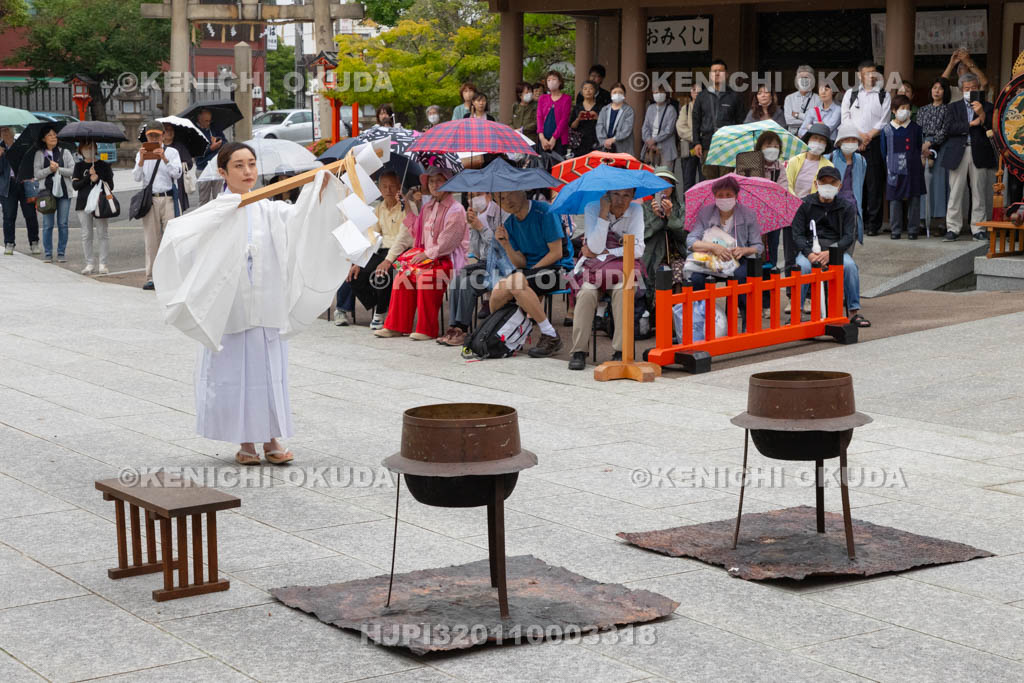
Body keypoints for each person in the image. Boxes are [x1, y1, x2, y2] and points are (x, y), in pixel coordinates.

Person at [154, 141, 356, 466]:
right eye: (238, 165)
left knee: (268, 371)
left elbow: (300, 219)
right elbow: (184, 237)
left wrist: (321, 187)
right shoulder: (216, 210)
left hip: (265, 302)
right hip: (231, 305)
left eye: (251, 164)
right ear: (223, 172)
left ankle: (272, 437)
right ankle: (245, 440)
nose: (247, 171)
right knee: (235, 372)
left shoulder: (270, 209)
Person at [374, 166, 468, 340]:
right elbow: (417, 231)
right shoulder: (428, 206)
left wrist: (427, 254)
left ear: (448, 183)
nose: (434, 185)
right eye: (431, 181)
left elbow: (448, 242)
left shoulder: (456, 209)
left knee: (426, 278)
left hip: (447, 260)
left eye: (439, 180)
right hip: (428, 258)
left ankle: (427, 329)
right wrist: (407, 207)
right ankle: (396, 325)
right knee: (402, 275)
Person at [567, 188, 645, 371]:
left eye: (626, 195)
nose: (621, 200)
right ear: (608, 195)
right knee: (586, 293)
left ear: (632, 197)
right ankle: (579, 350)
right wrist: (603, 214)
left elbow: (639, 249)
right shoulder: (593, 207)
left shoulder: (636, 210)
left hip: (622, 269)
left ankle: (621, 350)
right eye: (616, 194)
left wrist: (609, 252)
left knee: (622, 291)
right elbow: (594, 246)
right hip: (594, 268)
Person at [487, 190, 571, 358]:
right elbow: (520, 263)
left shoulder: (545, 211)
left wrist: (528, 273)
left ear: (522, 192)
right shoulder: (509, 223)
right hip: (530, 272)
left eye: (509, 194)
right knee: (496, 293)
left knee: (516, 282)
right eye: (501, 199)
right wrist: (505, 244)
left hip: (558, 269)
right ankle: (505, 333)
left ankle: (550, 334)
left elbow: (556, 253)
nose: (507, 200)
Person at [790, 165, 869, 327]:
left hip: (835, 249)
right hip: (809, 249)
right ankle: (796, 313)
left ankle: (853, 311)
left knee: (850, 267)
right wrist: (809, 253)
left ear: (839, 186)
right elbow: (797, 234)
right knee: (802, 267)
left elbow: (848, 236)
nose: (828, 186)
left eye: (832, 183)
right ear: (816, 183)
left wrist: (831, 252)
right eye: (823, 182)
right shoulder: (804, 204)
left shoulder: (846, 206)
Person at [334, 171, 406, 329]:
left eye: (392, 186)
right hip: (382, 250)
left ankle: (380, 312)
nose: (388, 190)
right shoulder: (379, 209)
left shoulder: (406, 207)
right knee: (354, 276)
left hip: (402, 254)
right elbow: (373, 237)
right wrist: (360, 262)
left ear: (399, 187)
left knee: (382, 274)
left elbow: (403, 239)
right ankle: (381, 303)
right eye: (384, 186)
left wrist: (388, 261)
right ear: (379, 189)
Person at [437, 191, 500, 347]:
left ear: (489, 195)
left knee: (469, 283)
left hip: (500, 265)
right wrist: (472, 227)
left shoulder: (500, 213)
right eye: (471, 196)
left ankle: (462, 328)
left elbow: (500, 247)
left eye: (479, 194)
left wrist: (482, 228)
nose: (475, 199)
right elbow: (477, 251)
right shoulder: (477, 215)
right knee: (457, 280)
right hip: (484, 262)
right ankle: (454, 327)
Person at [941, 72, 996, 242]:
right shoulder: (953, 107)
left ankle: (978, 228)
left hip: (979, 150)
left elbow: (991, 129)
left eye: (973, 87)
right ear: (961, 90)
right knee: (956, 191)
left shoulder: (987, 106)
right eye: (967, 88)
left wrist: (981, 114)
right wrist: (971, 124)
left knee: (979, 191)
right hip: (958, 151)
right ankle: (953, 228)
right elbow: (949, 128)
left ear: (979, 88)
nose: (970, 90)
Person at [841, 61, 890, 237]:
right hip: (853, 142)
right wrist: (859, 135)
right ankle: (854, 222)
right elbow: (845, 118)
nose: (871, 76)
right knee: (854, 184)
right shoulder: (851, 94)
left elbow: (884, 121)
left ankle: (873, 224)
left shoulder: (883, 95)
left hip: (874, 142)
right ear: (860, 75)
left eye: (873, 72)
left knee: (874, 184)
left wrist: (868, 136)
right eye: (867, 72)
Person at [134, 120, 183, 290]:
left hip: (168, 197)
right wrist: (140, 160)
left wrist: (164, 158)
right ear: (146, 136)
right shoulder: (141, 153)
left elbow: (177, 174)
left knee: (171, 237)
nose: (154, 138)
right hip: (151, 199)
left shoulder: (173, 152)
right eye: (150, 135)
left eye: (156, 135)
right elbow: (137, 178)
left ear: (163, 135)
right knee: (152, 239)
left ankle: (171, 275)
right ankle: (152, 277)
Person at [784, 123, 834, 278]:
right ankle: (792, 294)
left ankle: (809, 294)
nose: (817, 143)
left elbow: (827, 191)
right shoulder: (794, 161)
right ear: (808, 140)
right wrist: (797, 203)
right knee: (790, 255)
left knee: (811, 253)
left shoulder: (828, 166)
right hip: (791, 212)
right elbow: (787, 184)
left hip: (814, 215)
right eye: (815, 138)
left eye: (822, 140)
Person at [641, 166, 686, 312]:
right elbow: (644, 234)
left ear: (672, 188)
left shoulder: (680, 208)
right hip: (654, 254)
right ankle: (658, 315)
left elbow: (684, 236)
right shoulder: (644, 208)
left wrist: (670, 216)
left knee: (679, 271)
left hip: (676, 254)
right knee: (657, 273)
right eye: (659, 183)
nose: (663, 188)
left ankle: (677, 318)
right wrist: (656, 217)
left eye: (667, 184)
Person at [881, 95, 926, 240]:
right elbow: (884, 151)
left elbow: (919, 147)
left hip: (914, 168)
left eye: (908, 108)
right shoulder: (887, 129)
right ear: (894, 110)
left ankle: (913, 230)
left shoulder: (916, 128)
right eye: (902, 108)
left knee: (914, 198)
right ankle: (896, 230)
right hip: (894, 169)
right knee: (895, 199)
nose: (905, 111)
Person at [693, 58, 746, 179]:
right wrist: (696, 142)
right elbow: (696, 120)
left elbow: (740, 122)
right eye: (714, 71)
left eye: (720, 71)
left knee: (727, 181)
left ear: (726, 74)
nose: (717, 74)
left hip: (728, 145)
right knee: (710, 181)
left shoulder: (734, 96)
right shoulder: (702, 96)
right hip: (707, 145)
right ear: (710, 75)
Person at [33, 124, 75, 264]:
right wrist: (49, 170)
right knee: (47, 224)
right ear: (44, 139)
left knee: (62, 223)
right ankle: (48, 253)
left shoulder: (65, 152)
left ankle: (61, 252)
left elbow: (73, 171)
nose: (53, 137)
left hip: (63, 193)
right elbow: (37, 174)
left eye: (54, 134)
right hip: (46, 193)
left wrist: (59, 169)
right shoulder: (39, 154)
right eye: (50, 135)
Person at [71, 140, 114, 275]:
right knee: (86, 234)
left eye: (91, 147)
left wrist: (98, 178)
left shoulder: (104, 165)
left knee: (102, 233)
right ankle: (89, 263)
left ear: (96, 148)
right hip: (83, 203)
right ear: (81, 150)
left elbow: (111, 186)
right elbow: (75, 186)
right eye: (86, 147)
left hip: (100, 203)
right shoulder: (78, 166)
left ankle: (103, 263)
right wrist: (88, 178)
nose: (89, 150)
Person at [918, 77, 951, 234]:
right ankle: (923, 220)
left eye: (940, 88)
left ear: (945, 91)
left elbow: (945, 131)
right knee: (923, 183)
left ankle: (940, 221)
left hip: (941, 147)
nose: (936, 91)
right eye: (934, 87)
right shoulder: (922, 109)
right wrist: (923, 145)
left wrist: (931, 144)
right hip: (923, 147)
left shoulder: (948, 110)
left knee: (939, 183)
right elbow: (918, 129)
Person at [1, 126, 40, 255]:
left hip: (24, 183)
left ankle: (34, 242)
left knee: (30, 215)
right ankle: (9, 243)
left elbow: (29, 162)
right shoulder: (0, 148)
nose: (5, 134)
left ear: (12, 132)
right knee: (8, 216)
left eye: (7, 130)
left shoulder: (22, 145)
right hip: (8, 185)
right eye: (2, 131)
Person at [755, 130, 789, 269]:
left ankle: (770, 278)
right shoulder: (749, 164)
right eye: (768, 145)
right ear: (760, 148)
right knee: (754, 251)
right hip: (753, 216)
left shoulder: (779, 168)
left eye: (776, 146)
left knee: (772, 248)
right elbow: (738, 184)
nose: (772, 149)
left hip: (773, 216)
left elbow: (783, 190)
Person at [829, 123, 867, 247]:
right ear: (839, 142)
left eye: (853, 139)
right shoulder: (829, 158)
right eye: (846, 139)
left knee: (849, 248)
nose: (850, 142)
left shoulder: (861, 160)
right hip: (833, 210)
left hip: (853, 209)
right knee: (834, 250)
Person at [641, 85, 679, 168]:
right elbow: (645, 127)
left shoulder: (671, 109)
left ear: (666, 94)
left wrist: (654, 140)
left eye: (661, 92)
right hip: (650, 148)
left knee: (665, 176)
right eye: (656, 92)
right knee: (650, 174)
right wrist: (648, 141)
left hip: (666, 148)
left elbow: (669, 130)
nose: (658, 94)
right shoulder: (650, 108)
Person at [194, 108, 225, 206]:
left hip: (216, 167)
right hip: (203, 168)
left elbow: (225, 142)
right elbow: (196, 152)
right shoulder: (194, 131)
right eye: (206, 121)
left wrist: (220, 143)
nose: (208, 123)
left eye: (209, 120)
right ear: (199, 119)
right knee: (204, 200)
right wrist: (211, 148)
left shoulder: (214, 128)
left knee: (219, 197)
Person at [537, 71, 571, 156]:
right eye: (548, 80)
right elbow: (539, 117)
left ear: (560, 82)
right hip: (543, 138)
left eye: (554, 79)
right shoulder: (543, 98)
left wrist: (554, 138)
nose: (551, 82)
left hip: (559, 139)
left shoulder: (566, 99)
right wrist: (541, 137)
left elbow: (564, 119)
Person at [595, 83, 635, 156]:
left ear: (624, 95)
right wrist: (604, 141)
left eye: (620, 93)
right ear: (611, 94)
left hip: (622, 147)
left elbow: (626, 129)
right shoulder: (604, 109)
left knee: (621, 166)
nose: (617, 94)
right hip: (606, 147)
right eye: (614, 92)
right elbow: (599, 126)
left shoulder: (628, 110)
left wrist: (613, 139)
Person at [675, 85, 702, 190]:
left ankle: (703, 205)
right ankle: (688, 205)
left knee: (704, 178)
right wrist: (696, 138)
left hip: (703, 146)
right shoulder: (685, 108)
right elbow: (680, 128)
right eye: (694, 90)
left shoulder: (707, 108)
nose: (697, 92)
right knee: (687, 179)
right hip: (688, 146)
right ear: (691, 92)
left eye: (700, 90)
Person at [162, 123, 193, 214]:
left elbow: (189, 163)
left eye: (172, 130)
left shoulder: (179, 146)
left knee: (177, 209)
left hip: (177, 181)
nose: (170, 132)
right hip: (162, 180)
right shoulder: (158, 147)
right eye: (167, 130)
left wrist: (178, 165)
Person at [784, 65, 821, 135]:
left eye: (807, 77)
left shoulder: (818, 99)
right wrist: (809, 121)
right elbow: (789, 121)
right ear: (797, 80)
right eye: (801, 77)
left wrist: (798, 115)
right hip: (793, 136)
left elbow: (818, 120)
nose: (804, 80)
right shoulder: (789, 98)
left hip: (810, 136)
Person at [571, 81, 603, 157]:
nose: (588, 91)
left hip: (596, 141)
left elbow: (605, 126)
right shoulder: (577, 107)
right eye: (585, 89)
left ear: (595, 91)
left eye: (591, 89)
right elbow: (572, 126)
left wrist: (597, 118)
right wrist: (578, 119)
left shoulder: (601, 107)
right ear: (582, 91)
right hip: (579, 142)